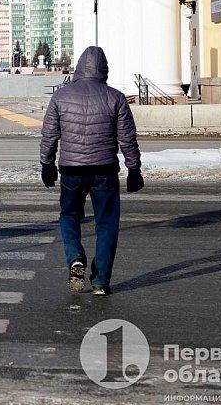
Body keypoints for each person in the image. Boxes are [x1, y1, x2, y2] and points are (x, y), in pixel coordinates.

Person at [39, 46, 143, 296]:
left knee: (69, 216)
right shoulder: (115, 97)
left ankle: (75, 257)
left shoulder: (61, 97)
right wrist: (134, 168)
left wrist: (46, 164)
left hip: (71, 170)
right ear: (104, 69)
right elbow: (127, 138)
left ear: (77, 68)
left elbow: (50, 134)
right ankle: (101, 281)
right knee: (107, 223)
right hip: (105, 169)